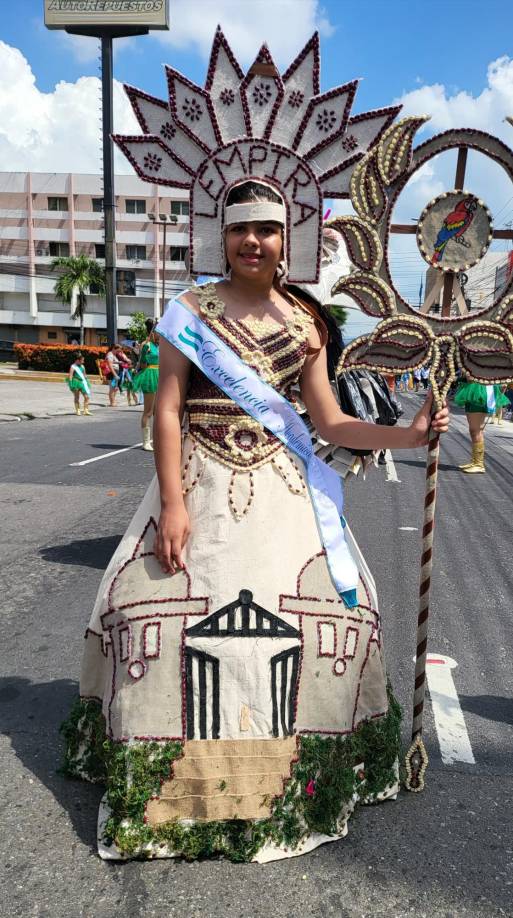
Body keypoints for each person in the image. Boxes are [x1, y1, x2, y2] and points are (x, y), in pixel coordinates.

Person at [62, 179, 449, 863]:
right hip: (200, 487)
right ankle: (170, 784)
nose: (253, 241)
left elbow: (330, 422)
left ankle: (295, 782)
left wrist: (410, 436)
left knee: (339, 612)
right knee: (147, 609)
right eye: (241, 228)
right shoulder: (190, 311)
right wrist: (173, 504)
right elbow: (168, 409)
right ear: (223, 236)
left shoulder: (305, 323)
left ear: (285, 239)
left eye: (266, 229)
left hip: (280, 489)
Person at [454, 373, 508, 473]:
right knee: (474, 430)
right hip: (472, 390)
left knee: (476, 430)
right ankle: (475, 461)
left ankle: (478, 464)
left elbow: (471, 376)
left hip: (480, 392)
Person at [132, 319, 160, 450]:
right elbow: (143, 365)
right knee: (148, 411)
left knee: (158, 412)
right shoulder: (146, 345)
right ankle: (146, 442)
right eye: (159, 332)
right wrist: (143, 353)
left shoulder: (158, 345)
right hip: (150, 377)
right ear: (153, 332)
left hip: (160, 376)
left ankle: (157, 440)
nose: (161, 335)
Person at [105, 343, 120, 408]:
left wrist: (118, 362)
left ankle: (113, 401)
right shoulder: (110, 354)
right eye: (117, 351)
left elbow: (112, 362)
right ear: (114, 349)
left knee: (115, 388)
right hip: (111, 373)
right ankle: (112, 402)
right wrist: (115, 375)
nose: (118, 352)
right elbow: (110, 365)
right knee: (112, 388)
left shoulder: (113, 355)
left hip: (115, 372)